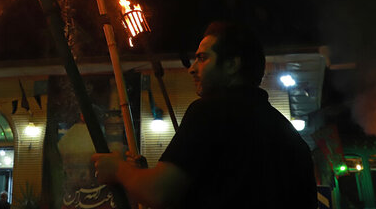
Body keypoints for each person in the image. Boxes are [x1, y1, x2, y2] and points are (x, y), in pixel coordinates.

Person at [92, 21, 317, 208]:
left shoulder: (210, 112)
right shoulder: (293, 141)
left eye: (202, 58)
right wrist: (140, 176)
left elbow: (159, 193)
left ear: (231, 65)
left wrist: (118, 169)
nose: (191, 69)